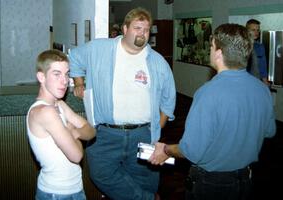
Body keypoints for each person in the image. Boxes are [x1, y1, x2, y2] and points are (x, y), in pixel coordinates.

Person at [149, 23, 276, 200]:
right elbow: (269, 131)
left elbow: (191, 151)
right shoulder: (262, 90)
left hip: (212, 185)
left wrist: (166, 150)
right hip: (246, 181)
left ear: (218, 52)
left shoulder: (208, 93)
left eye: (211, 46)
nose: (210, 50)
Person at [69, 7, 176, 200]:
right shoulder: (99, 49)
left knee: (146, 178)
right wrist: (79, 82)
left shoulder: (158, 62)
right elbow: (74, 57)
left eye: (146, 29)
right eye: (137, 28)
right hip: (105, 133)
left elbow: (169, 100)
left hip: (142, 133)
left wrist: (156, 127)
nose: (142, 33)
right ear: (125, 29)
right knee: (101, 173)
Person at [26, 49, 96, 200]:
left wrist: (75, 133)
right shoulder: (44, 111)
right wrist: (72, 128)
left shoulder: (59, 104)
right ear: (41, 77)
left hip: (75, 189)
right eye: (57, 74)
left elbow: (91, 130)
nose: (64, 81)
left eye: (67, 74)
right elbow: (76, 156)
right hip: (55, 193)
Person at [246, 19, 270, 85]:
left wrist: (265, 82)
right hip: (244, 81)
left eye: (258, 30)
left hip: (257, 81)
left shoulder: (260, 47)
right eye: (253, 30)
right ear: (247, 31)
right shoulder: (242, 46)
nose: (256, 33)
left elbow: (263, 66)